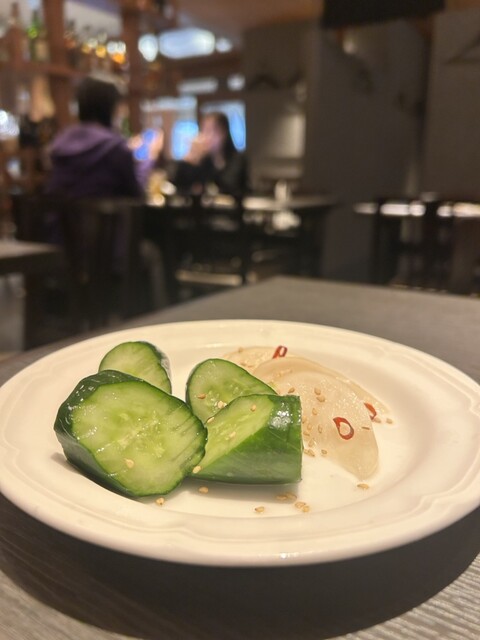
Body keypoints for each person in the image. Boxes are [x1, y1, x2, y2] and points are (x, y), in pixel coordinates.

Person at [47, 76, 159, 198]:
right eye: (119, 106)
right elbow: (137, 196)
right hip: (108, 211)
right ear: (110, 108)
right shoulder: (115, 149)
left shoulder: (61, 144)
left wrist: (125, 148)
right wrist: (150, 157)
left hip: (62, 211)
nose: (123, 112)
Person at [169, 111, 248, 197]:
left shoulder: (237, 159)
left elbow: (228, 186)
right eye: (204, 130)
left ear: (223, 133)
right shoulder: (204, 160)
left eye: (210, 130)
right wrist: (189, 160)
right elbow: (179, 186)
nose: (206, 136)